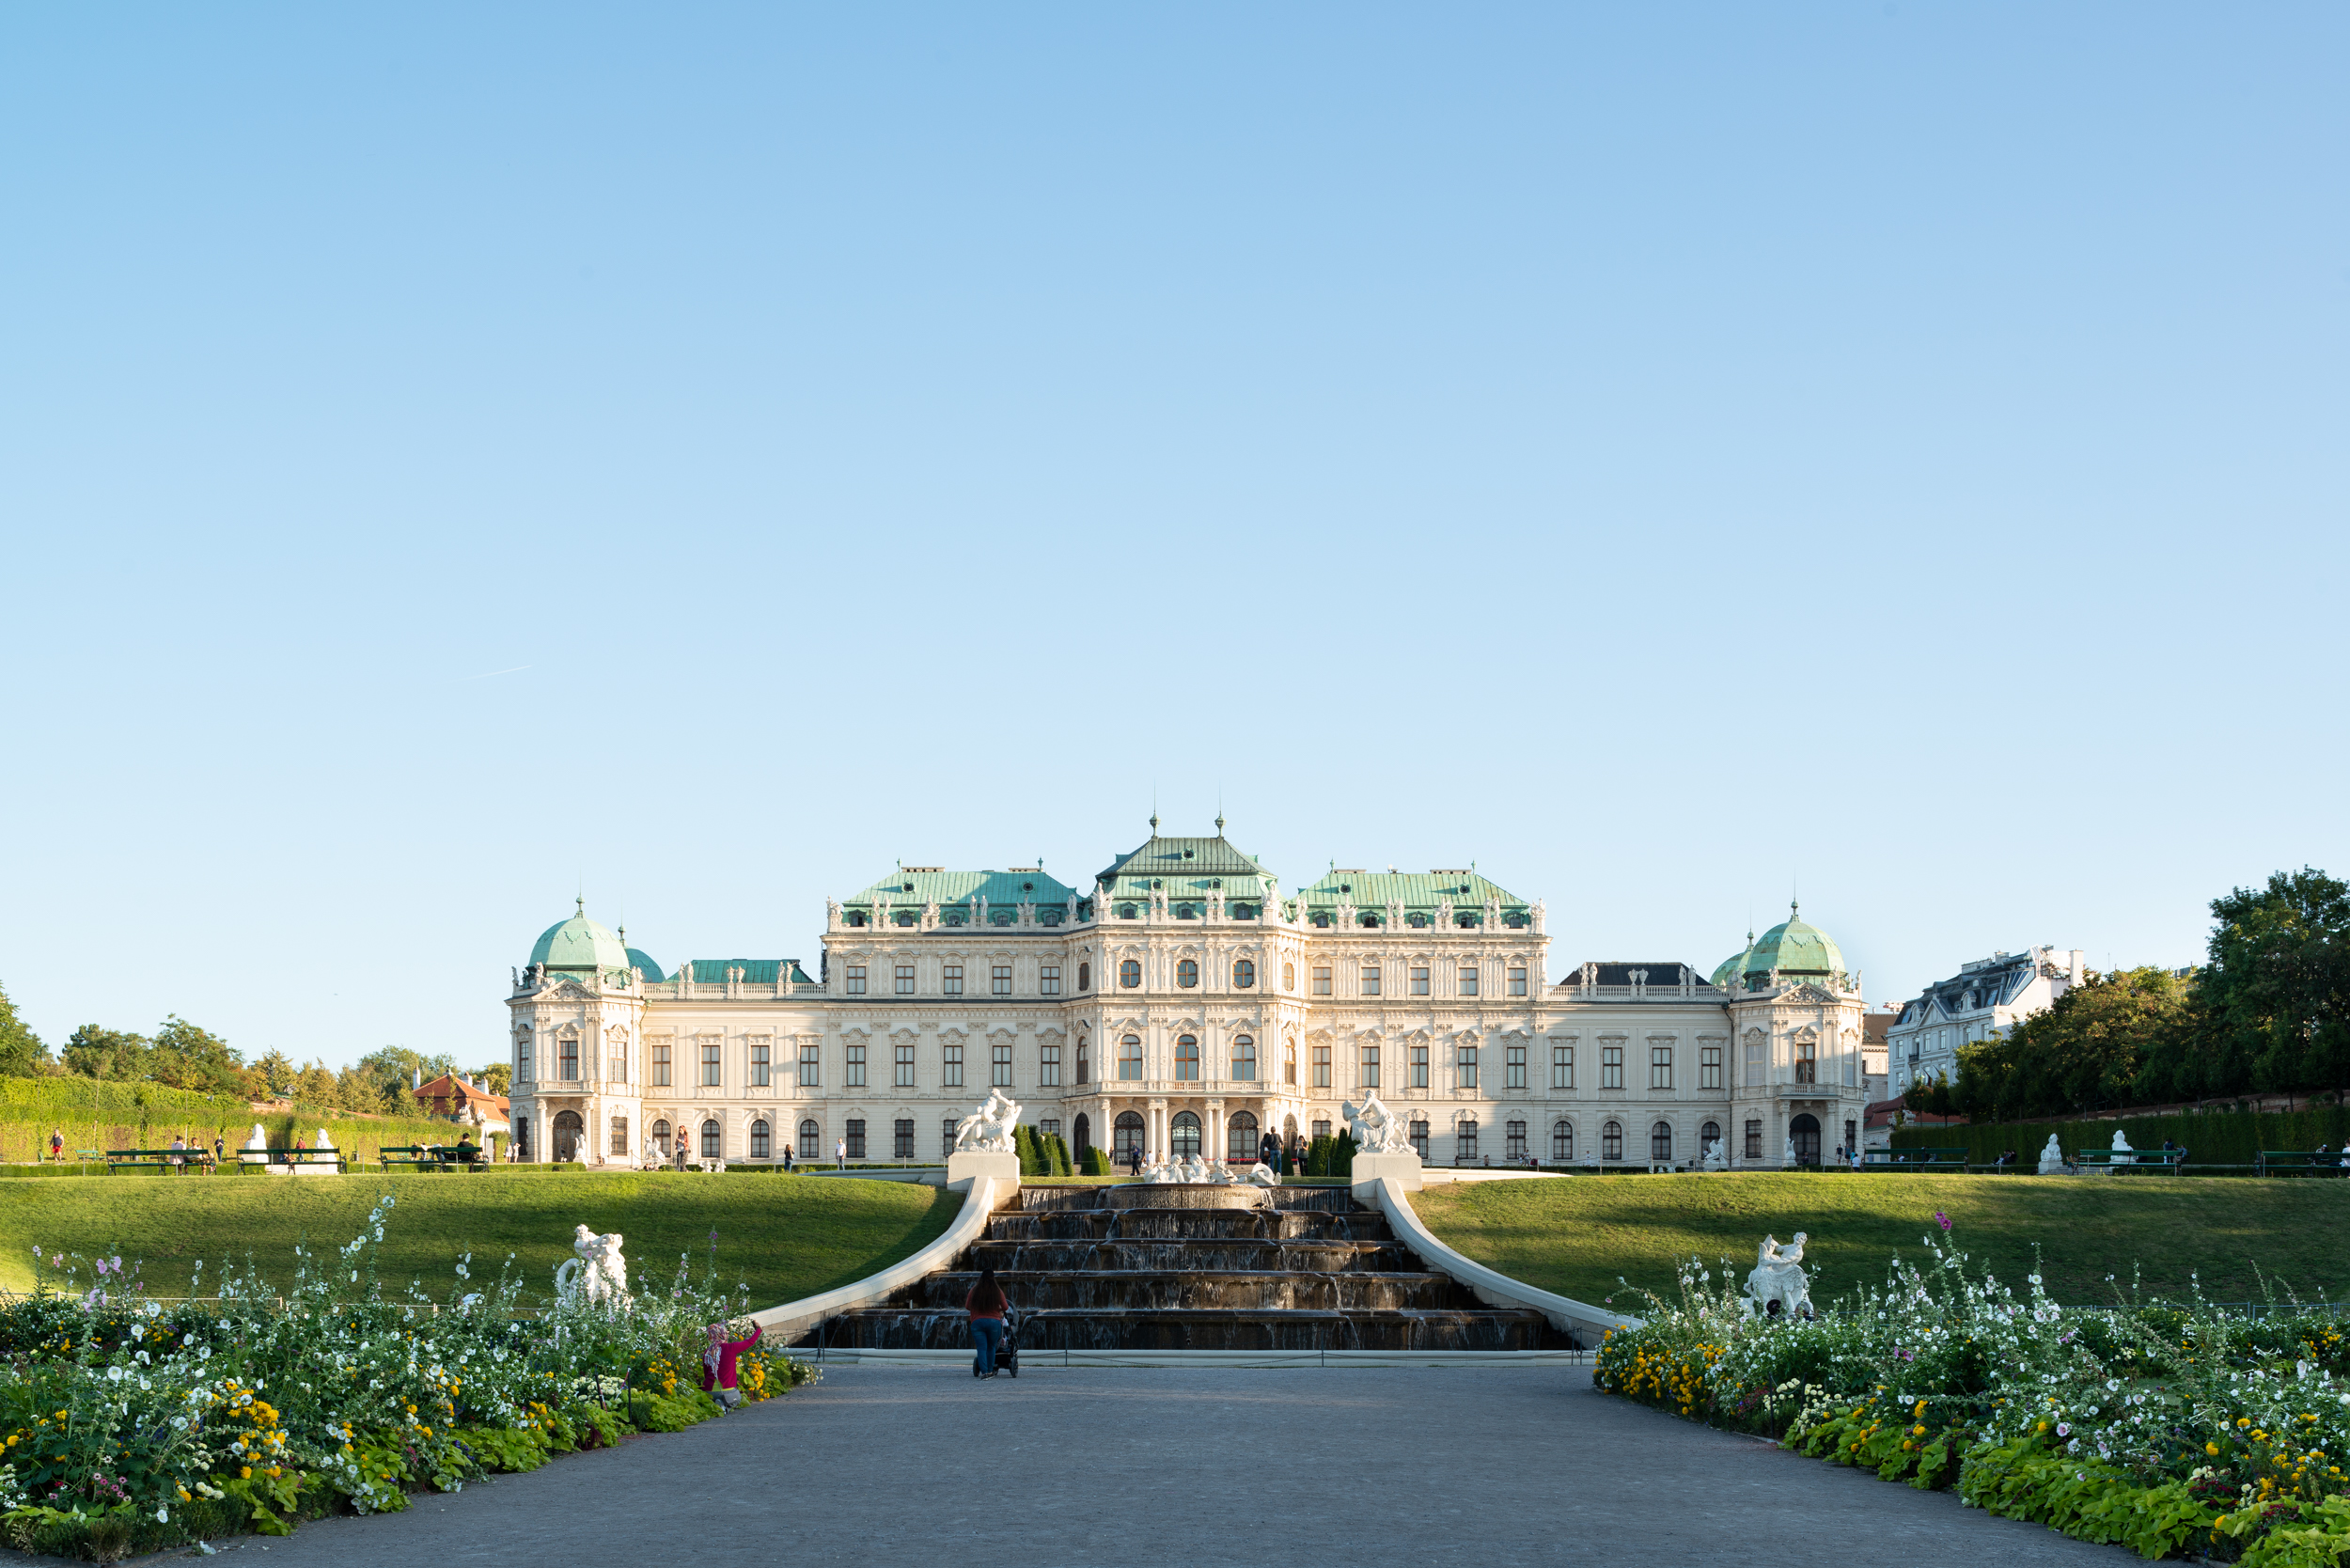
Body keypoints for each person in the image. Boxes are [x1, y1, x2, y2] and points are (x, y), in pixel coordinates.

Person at [699, 1320, 764, 1411]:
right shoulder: (731, 1348)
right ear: (723, 1334)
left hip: (709, 1391)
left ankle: (715, 1403)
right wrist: (758, 1330)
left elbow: (706, 1372)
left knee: (716, 1397)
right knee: (737, 1398)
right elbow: (750, 1342)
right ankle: (725, 1407)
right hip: (727, 1391)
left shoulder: (708, 1351)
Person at [966, 1267, 1008, 1379]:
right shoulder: (997, 1291)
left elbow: (967, 1306)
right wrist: (996, 1309)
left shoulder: (974, 1290)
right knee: (991, 1347)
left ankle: (984, 1372)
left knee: (981, 1348)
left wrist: (978, 1309)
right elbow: (1006, 1307)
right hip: (994, 1323)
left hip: (977, 1322)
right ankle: (990, 1371)